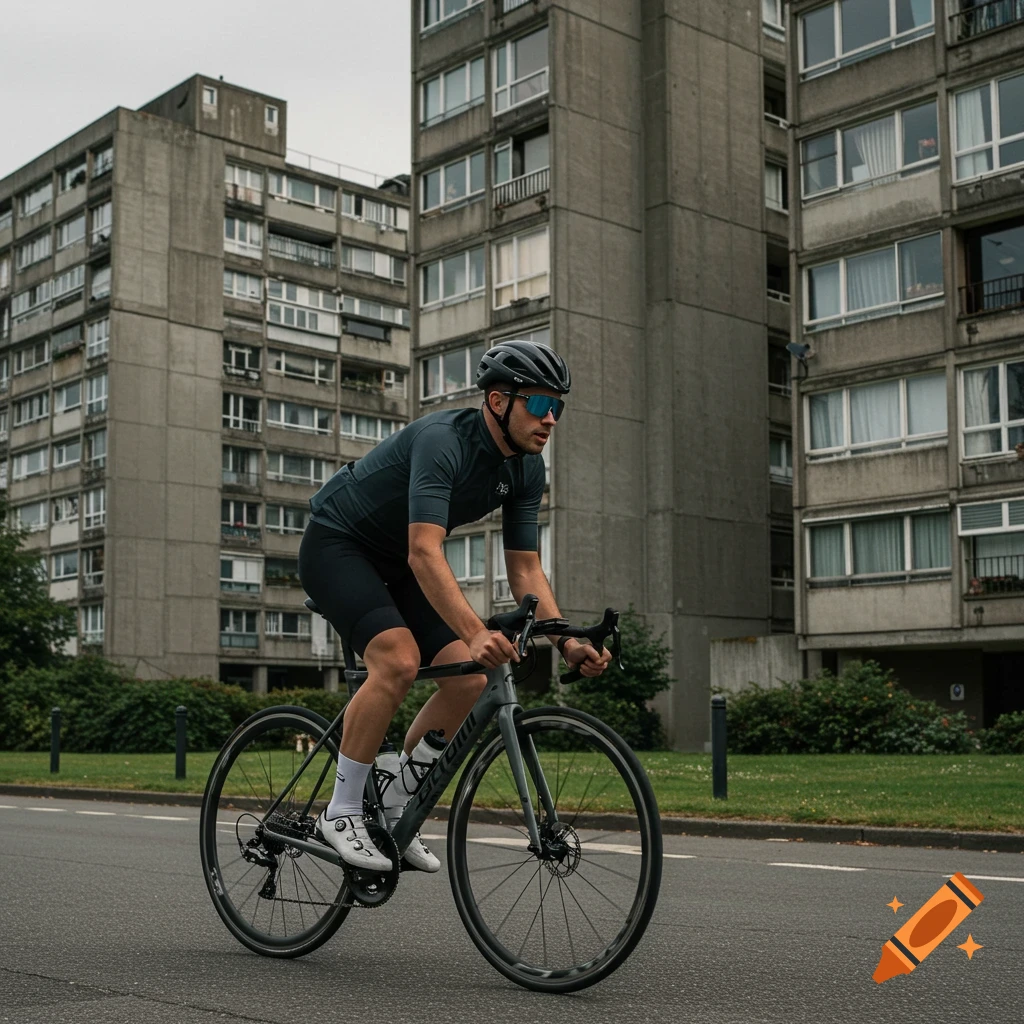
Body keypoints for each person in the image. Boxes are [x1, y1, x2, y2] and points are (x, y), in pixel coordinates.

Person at [298, 340, 612, 872]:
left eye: (557, 406)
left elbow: (526, 571)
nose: (551, 418)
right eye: (538, 404)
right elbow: (425, 550)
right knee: (397, 660)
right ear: (497, 401)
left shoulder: (526, 470)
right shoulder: (444, 441)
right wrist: (473, 631)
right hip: (338, 544)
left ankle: (395, 802)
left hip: (395, 563)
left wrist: (567, 640)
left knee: (467, 680)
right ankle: (343, 810)